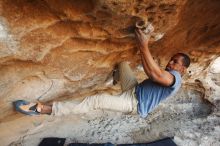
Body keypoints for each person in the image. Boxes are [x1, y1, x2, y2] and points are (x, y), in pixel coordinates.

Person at [14, 26, 190, 118]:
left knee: (95, 100)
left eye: (175, 62)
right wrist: (141, 44)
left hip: (135, 104)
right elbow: (150, 70)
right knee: (122, 65)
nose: (170, 63)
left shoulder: (175, 78)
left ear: (182, 69)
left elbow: (154, 74)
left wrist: (143, 44)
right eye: (171, 59)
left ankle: (44, 110)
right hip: (134, 89)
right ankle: (114, 81)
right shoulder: (170, 73)